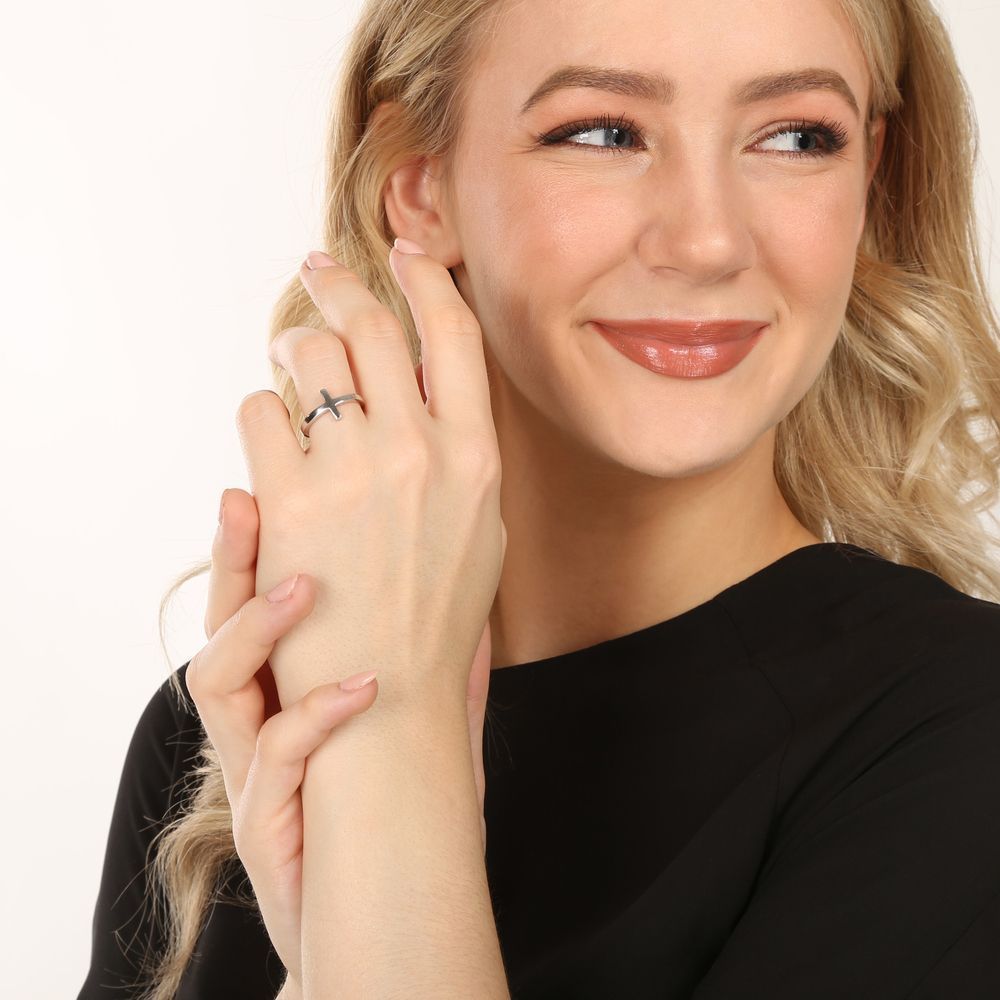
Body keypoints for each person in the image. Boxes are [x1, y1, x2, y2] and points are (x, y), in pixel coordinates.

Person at [78, 0, 1000, 997]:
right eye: (601, 132)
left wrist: (389, 774)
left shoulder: (962, 733)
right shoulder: (225, 727)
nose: (707, 240)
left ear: (869, 175)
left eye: (795, 137)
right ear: (418, 182)